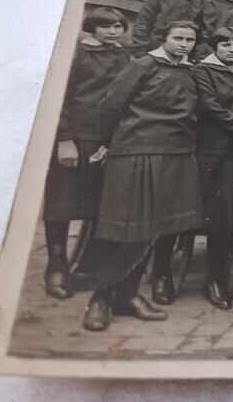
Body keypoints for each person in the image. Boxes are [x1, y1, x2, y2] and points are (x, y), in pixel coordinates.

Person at [82, 20, 202, 331]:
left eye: (190, 40)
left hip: (176, 154)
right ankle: (100, 299)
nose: (184, 44)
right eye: (178, 38)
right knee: (125, 228)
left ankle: (128, 295)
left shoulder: (191, 71)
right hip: (136, 151)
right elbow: (112, 104)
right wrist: (104, 143)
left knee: (154, 229)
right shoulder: (143, 65)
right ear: (163, 38)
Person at [42, 7, 130, 299]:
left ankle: (86, 266)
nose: (113, 31)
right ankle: (56, 266)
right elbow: (59, 99)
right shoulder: (76, 55)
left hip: (106, 140)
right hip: (76, 139)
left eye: (118, 26)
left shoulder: (123, 56)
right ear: (92, 28)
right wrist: (64, 139)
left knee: (100, 205)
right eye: (105, 26)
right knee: (62, 202)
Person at [192, 26, 233, 310]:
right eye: (226, 44)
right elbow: (209, 105)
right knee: (214, 213)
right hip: (211, 148)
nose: (232, 49)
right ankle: (210, 278)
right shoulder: (203, 71)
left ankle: (224, 275)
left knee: (231, 214)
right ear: (215, 47)